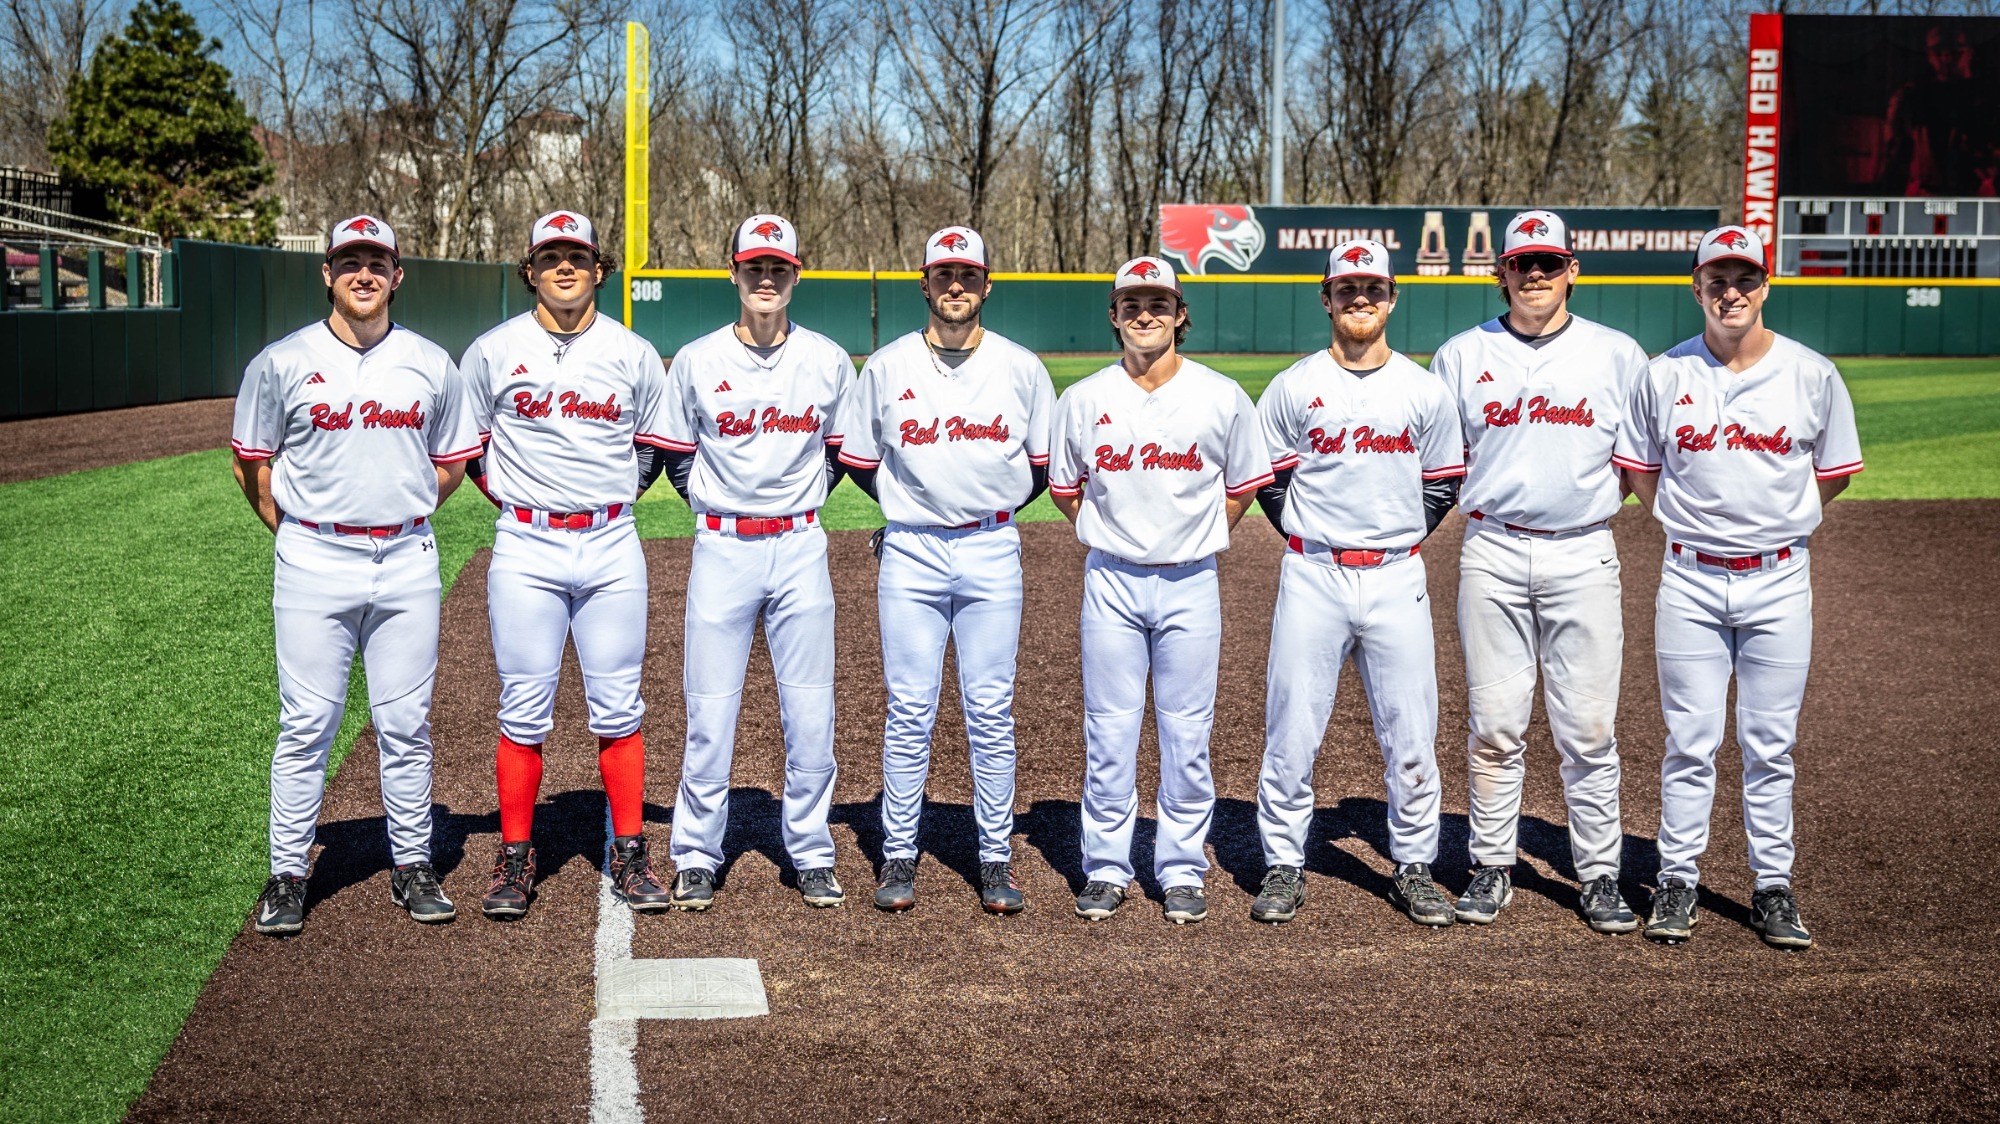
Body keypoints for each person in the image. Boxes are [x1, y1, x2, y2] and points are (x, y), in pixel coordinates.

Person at [229, 214, 481, 935]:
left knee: (406, 722)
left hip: (405, 559)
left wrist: (398, 512)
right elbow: (251, 462)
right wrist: (297, 532)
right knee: (307, 723)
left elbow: (451, 464)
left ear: (397, 276)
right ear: (327, 273)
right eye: (349, 262)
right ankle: (287, 873)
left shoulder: (431, 362)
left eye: (376, 263)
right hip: (314, 558)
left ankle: (413, 863)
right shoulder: (281, 362)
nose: (362, 274)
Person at [1615, 226, 1861, 950]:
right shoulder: (1664, 374)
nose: (1732, 292)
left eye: (1745, 278)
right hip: (1690, 579)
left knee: (1769, 744)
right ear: (1697, 288)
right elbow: (1640, 470)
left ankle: (1772, 885)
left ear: (1765, 285)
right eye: (1718, 280)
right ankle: (1677, 878)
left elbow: (1835, 472)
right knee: (1689, 741)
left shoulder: (1812, 373)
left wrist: (1781, 524)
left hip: (1779, 578)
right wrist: (1683, 524)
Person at [1429, 209, 1648, 933]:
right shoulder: (1462, 355)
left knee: (1588, 728)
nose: (1534, 275)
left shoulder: (1617, 355)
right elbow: (1440, 460)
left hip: (1583, 550)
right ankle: (1492, 864)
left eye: (1548, 262)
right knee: (1494, 725)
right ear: (1503, 271)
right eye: (1521, 263)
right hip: (1492, 549)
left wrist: (1578, 507)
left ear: (1572, 270)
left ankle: (1601, 873)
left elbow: (1638, 462)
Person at [458, 211, 675, 920]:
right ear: (530, 270)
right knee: (523, 710)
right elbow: (470, 446)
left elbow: (650, 449)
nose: (564, 267)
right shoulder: (492, 351)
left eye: (577, 256)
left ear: (599, 270)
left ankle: (630, 852)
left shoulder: (633, 352)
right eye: (550, 256)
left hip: (611, 543)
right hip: (526, 545)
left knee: (619, 705)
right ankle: (516, 857)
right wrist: (518, 500)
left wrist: (608, 500)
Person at [836, 227, 1054, 914]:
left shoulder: (1021, 367)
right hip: (911, 551)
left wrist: (979, 510)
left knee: (990, 710)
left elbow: (1040, 469)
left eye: (968, 275)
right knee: (910, 709)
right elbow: (860, 461)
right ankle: (898, 852)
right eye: (943, 275)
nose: (955, 286)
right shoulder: (887, 366)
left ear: (987, 284)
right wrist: (914, 508)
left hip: (991, 548)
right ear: (925, 284)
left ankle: (994, 856)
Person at [1048, 256, 1271, 925]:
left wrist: (1192, 534)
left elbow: (1243, 488)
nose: (1144, 315)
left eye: (1158, 304)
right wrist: (1114, 533)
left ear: (1180, 315)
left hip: (1190, 580)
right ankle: (1106, 868)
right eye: (1132, 304)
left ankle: (1180, 868)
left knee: (1187, 734)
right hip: (1112, 578)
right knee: (1109, 731)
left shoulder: (1221, 395)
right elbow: (1066, 489)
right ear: (1114, 315)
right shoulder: (1083, 399)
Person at [1248, 239, 1465, 927]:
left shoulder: (1423, 389)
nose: (1360, 298)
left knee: (1411, 730)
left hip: (1397, 573)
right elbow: (1269, 480)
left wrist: (1393, 535)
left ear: (1392, 298)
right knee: (1292, 727)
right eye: (1347, 288)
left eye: (1373, 288)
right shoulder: (1294, 386)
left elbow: (1444, 482)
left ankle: (1414, 865)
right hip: (1313, 572)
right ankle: (1284, 862)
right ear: (1327, 298)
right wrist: (1312, 534)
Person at [655, 214, 854, 910]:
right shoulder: (696, 359)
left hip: (800, 545)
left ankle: (812, 850)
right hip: (723, 547)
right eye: (754, 267)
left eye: (778, 268)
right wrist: (719, 506)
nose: (766, 279)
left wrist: (795, 500)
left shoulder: (828, 359)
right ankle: (696, 853)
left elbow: (839, 453)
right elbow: (676, 456)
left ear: (796, 275)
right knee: (710, 711)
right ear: (734, 273)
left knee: (811, 711)